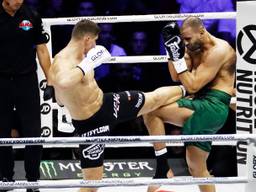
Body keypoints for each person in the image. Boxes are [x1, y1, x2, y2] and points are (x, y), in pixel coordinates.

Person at [48, 19, 186, 192]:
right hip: (89, 125)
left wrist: (63, 105)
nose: (96, 45)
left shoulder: (82, 56)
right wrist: (89, 63)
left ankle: (188, 89)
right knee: (92, 184)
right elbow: (61, 82)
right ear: (87, 39)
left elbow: (60, 92)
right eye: (95, 40)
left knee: (153, 99)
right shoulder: (63, 60)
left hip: (107, 106)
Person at [144, 16, 236, 192]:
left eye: (188, 39)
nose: (185, 43)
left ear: (202, 31)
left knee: (152, 111)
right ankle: (163, 167)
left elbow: (192, 85)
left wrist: (178, 59)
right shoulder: (193, 46)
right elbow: (175, 77)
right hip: (200, 102)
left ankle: (163, 167)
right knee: (197, 169)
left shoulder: (219, 50)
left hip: (213, 106)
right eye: (182, 39)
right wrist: (172, 51)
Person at [0, 0, 51, 192]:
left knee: (33, 132)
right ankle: (5, 178)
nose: (19, 1)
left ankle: (32, 181)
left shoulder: (31, 16)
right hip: (1, 81)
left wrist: (50, 81)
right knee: (1, 132)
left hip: (26, 81)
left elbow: (42, 49)